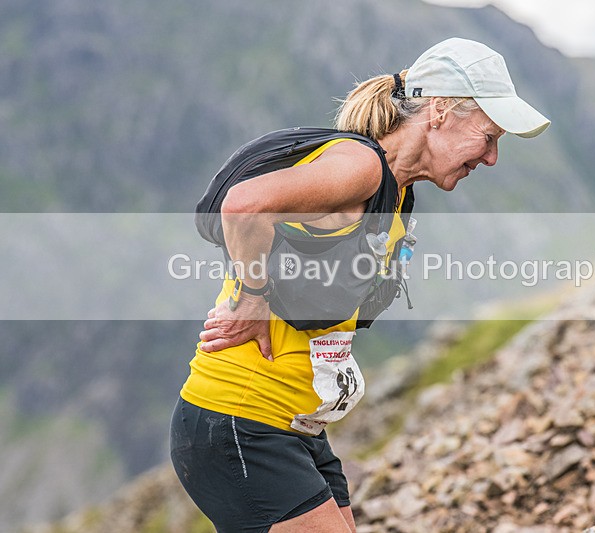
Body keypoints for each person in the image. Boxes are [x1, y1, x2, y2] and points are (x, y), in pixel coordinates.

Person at [170, 37, 550, 532]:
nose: (492, 157)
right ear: (439, 111)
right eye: (489, 136)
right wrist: (252, 297)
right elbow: (243, 206)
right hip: (242, 418)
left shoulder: (397, 192)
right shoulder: (361, 167)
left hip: (298, 428)